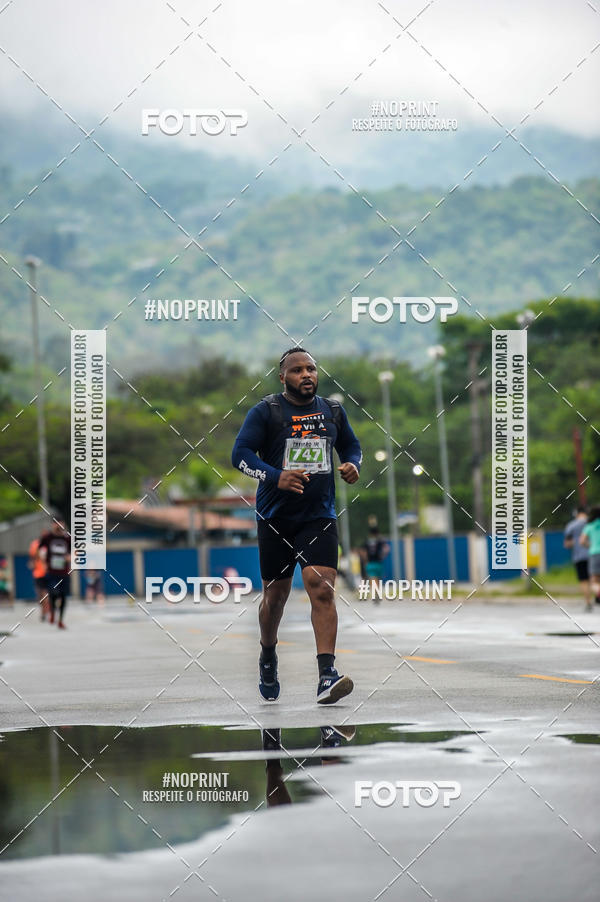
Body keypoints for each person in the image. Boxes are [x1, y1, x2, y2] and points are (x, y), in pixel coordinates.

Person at [232, 347, 362, 704]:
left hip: (318, 515)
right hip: (276, 518)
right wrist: (276, 477)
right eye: (298, 370)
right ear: (283, 377)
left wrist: (353, 465)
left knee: (321, 587)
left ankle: (326, 675)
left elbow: (352, 446)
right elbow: (239, 455)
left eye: (311, 369)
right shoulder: (267, 412)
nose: (306, 375)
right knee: (275, 597)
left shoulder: (332, 410)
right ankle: (268, 653)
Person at [38, 519, 71, 628]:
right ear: (53, 525)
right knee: (53, 593)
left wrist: (70, 557)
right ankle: (52, 613)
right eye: (56, 524)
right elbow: (39, 549)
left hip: (64, 572)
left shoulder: (68, 538)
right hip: (51, 572)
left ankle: (60, 620)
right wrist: (42, 558)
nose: (59, 526)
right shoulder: (48, 537)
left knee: (63, 596)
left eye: (61, 523)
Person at [564, 507, 591, 611]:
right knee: (595, 579)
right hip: (594, 554)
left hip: (579, 556)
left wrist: (575, 542)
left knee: (584, 580)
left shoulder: (571, 526)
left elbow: (567, 544)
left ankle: (588, 603)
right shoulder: (593, 524)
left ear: (576, 514)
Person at [360, 518, 390, 602]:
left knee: (373, 579)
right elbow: (387, 549)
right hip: (378, 562)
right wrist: (383, 556)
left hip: (370, 563)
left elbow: (363, 552)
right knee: (378, 579)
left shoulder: (366, 541)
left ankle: (375, 593)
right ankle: (377, 593)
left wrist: (365, 561)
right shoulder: (380, 541)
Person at [581, 506, 600, 606]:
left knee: (594, 581)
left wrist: (590, 545)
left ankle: (598, 592)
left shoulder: (590, 525)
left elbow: (582, 541)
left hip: (595, 553)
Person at [29, 532, 49, 619]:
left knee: (46, 594)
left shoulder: (50, 545)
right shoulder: (35, 544)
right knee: (39, 595)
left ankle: (45, 611)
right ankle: (44, 610)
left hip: (48, 573)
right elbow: (32, 558)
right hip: (38, 574)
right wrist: (32, 564)